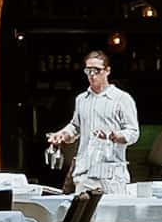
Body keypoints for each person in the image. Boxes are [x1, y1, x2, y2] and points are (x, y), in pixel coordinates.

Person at [52, 50, 139, 193]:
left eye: (97, 70)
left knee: (113, 208)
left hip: (111, 174)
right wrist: (63, 135)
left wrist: (115, 136)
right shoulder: (81, 99)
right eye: (88, 70)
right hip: (85, 173)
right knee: (83, 208)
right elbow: (75, 127)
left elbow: (133, 132)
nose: (92, 74)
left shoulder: (122, 99)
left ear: (107, 71)